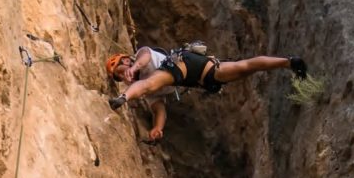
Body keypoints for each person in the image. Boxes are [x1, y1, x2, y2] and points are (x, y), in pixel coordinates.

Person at [106, 46, 308, 141]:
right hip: (201, 72)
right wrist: (157, 128)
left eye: (121, 72)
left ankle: (122, 98)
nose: (125, 76)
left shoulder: (141, 55)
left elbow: (144, 59)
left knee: (149, 83)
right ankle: (289, 62)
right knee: (244, 67)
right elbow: (159, 109)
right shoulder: (145, 90)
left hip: (180, 64)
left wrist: (133, 74)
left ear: (126, 61)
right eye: (121, 78)